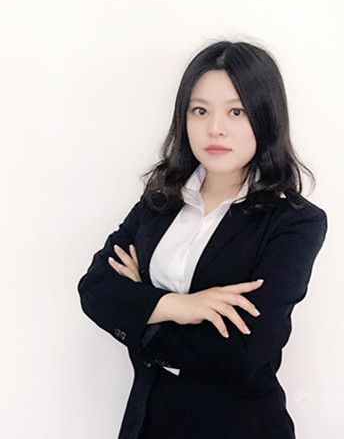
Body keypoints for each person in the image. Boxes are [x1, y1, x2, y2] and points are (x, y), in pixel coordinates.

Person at [77, 39, 328, 439]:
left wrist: (142, 306)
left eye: (236, 111)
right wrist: (181, 306)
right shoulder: (160, 201)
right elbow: (96, 289)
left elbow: (245, 350)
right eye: (200, 110)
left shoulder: (294, 222)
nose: (215, 128)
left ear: (265, 116)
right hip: (147, 423)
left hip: (238, 428)